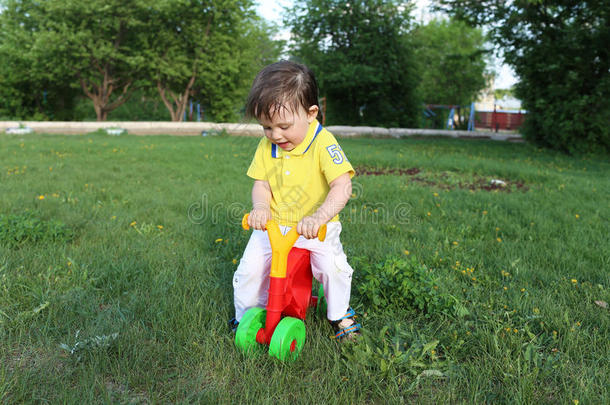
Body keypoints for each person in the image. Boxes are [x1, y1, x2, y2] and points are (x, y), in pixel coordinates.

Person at [230, 60, 360, 340]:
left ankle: (340, 314)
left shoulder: (324, 143)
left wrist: (319, 217)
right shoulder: (269, 146)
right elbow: (261, 184)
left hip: (314, 227)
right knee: (249, 271)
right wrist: (261, 208)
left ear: (311, 113)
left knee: (332, 268)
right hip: (274, 225)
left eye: (284, 126)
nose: (275, 135)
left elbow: (342, 185)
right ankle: (246, 317)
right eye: (266, 127)